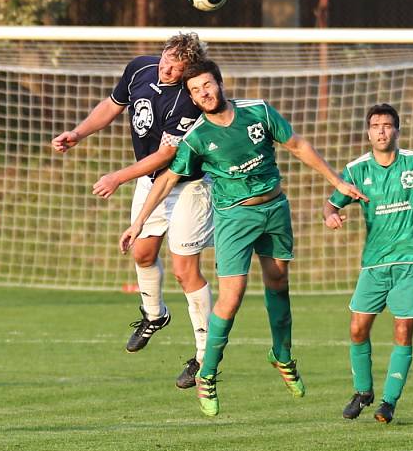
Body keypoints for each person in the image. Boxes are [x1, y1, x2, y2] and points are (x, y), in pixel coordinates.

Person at [120, 59, 367, 417]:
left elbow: (298, 145)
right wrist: (139, 221)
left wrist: (337, 182)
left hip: (275, 209)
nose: (203, 93)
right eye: (195, 91)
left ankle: (281, 355)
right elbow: (168, 179)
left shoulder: (259, 112)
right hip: (235, 218)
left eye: (207, 85)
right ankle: (207, 374)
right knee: (231, 298)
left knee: (279, 283)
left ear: (219, 83)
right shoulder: (198, 136)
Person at [51, 33, 214, 389]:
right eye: (167, 57)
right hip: (150, 180)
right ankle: (154, 316)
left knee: (185, 271)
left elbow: (166, 155)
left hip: (188, 185)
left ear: (189, 71)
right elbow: (112, 106)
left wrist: (118, 177)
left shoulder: (187, 99)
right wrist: (78, 134)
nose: (166, 66)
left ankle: (205, 356)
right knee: (142, 252)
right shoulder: (140, 66)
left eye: (176, 65)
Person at [323, 103, 413, 424]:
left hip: (412, 261)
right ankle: (363, 392)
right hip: (374, 264)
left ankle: (388, 402)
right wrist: (332, 215)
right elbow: (331, 203)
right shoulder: (356, 170)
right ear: (368, 131)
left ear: (397, 131)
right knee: (357, 329)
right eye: (375, 126)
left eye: (387, 126)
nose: (381, 131)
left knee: (402, 330)